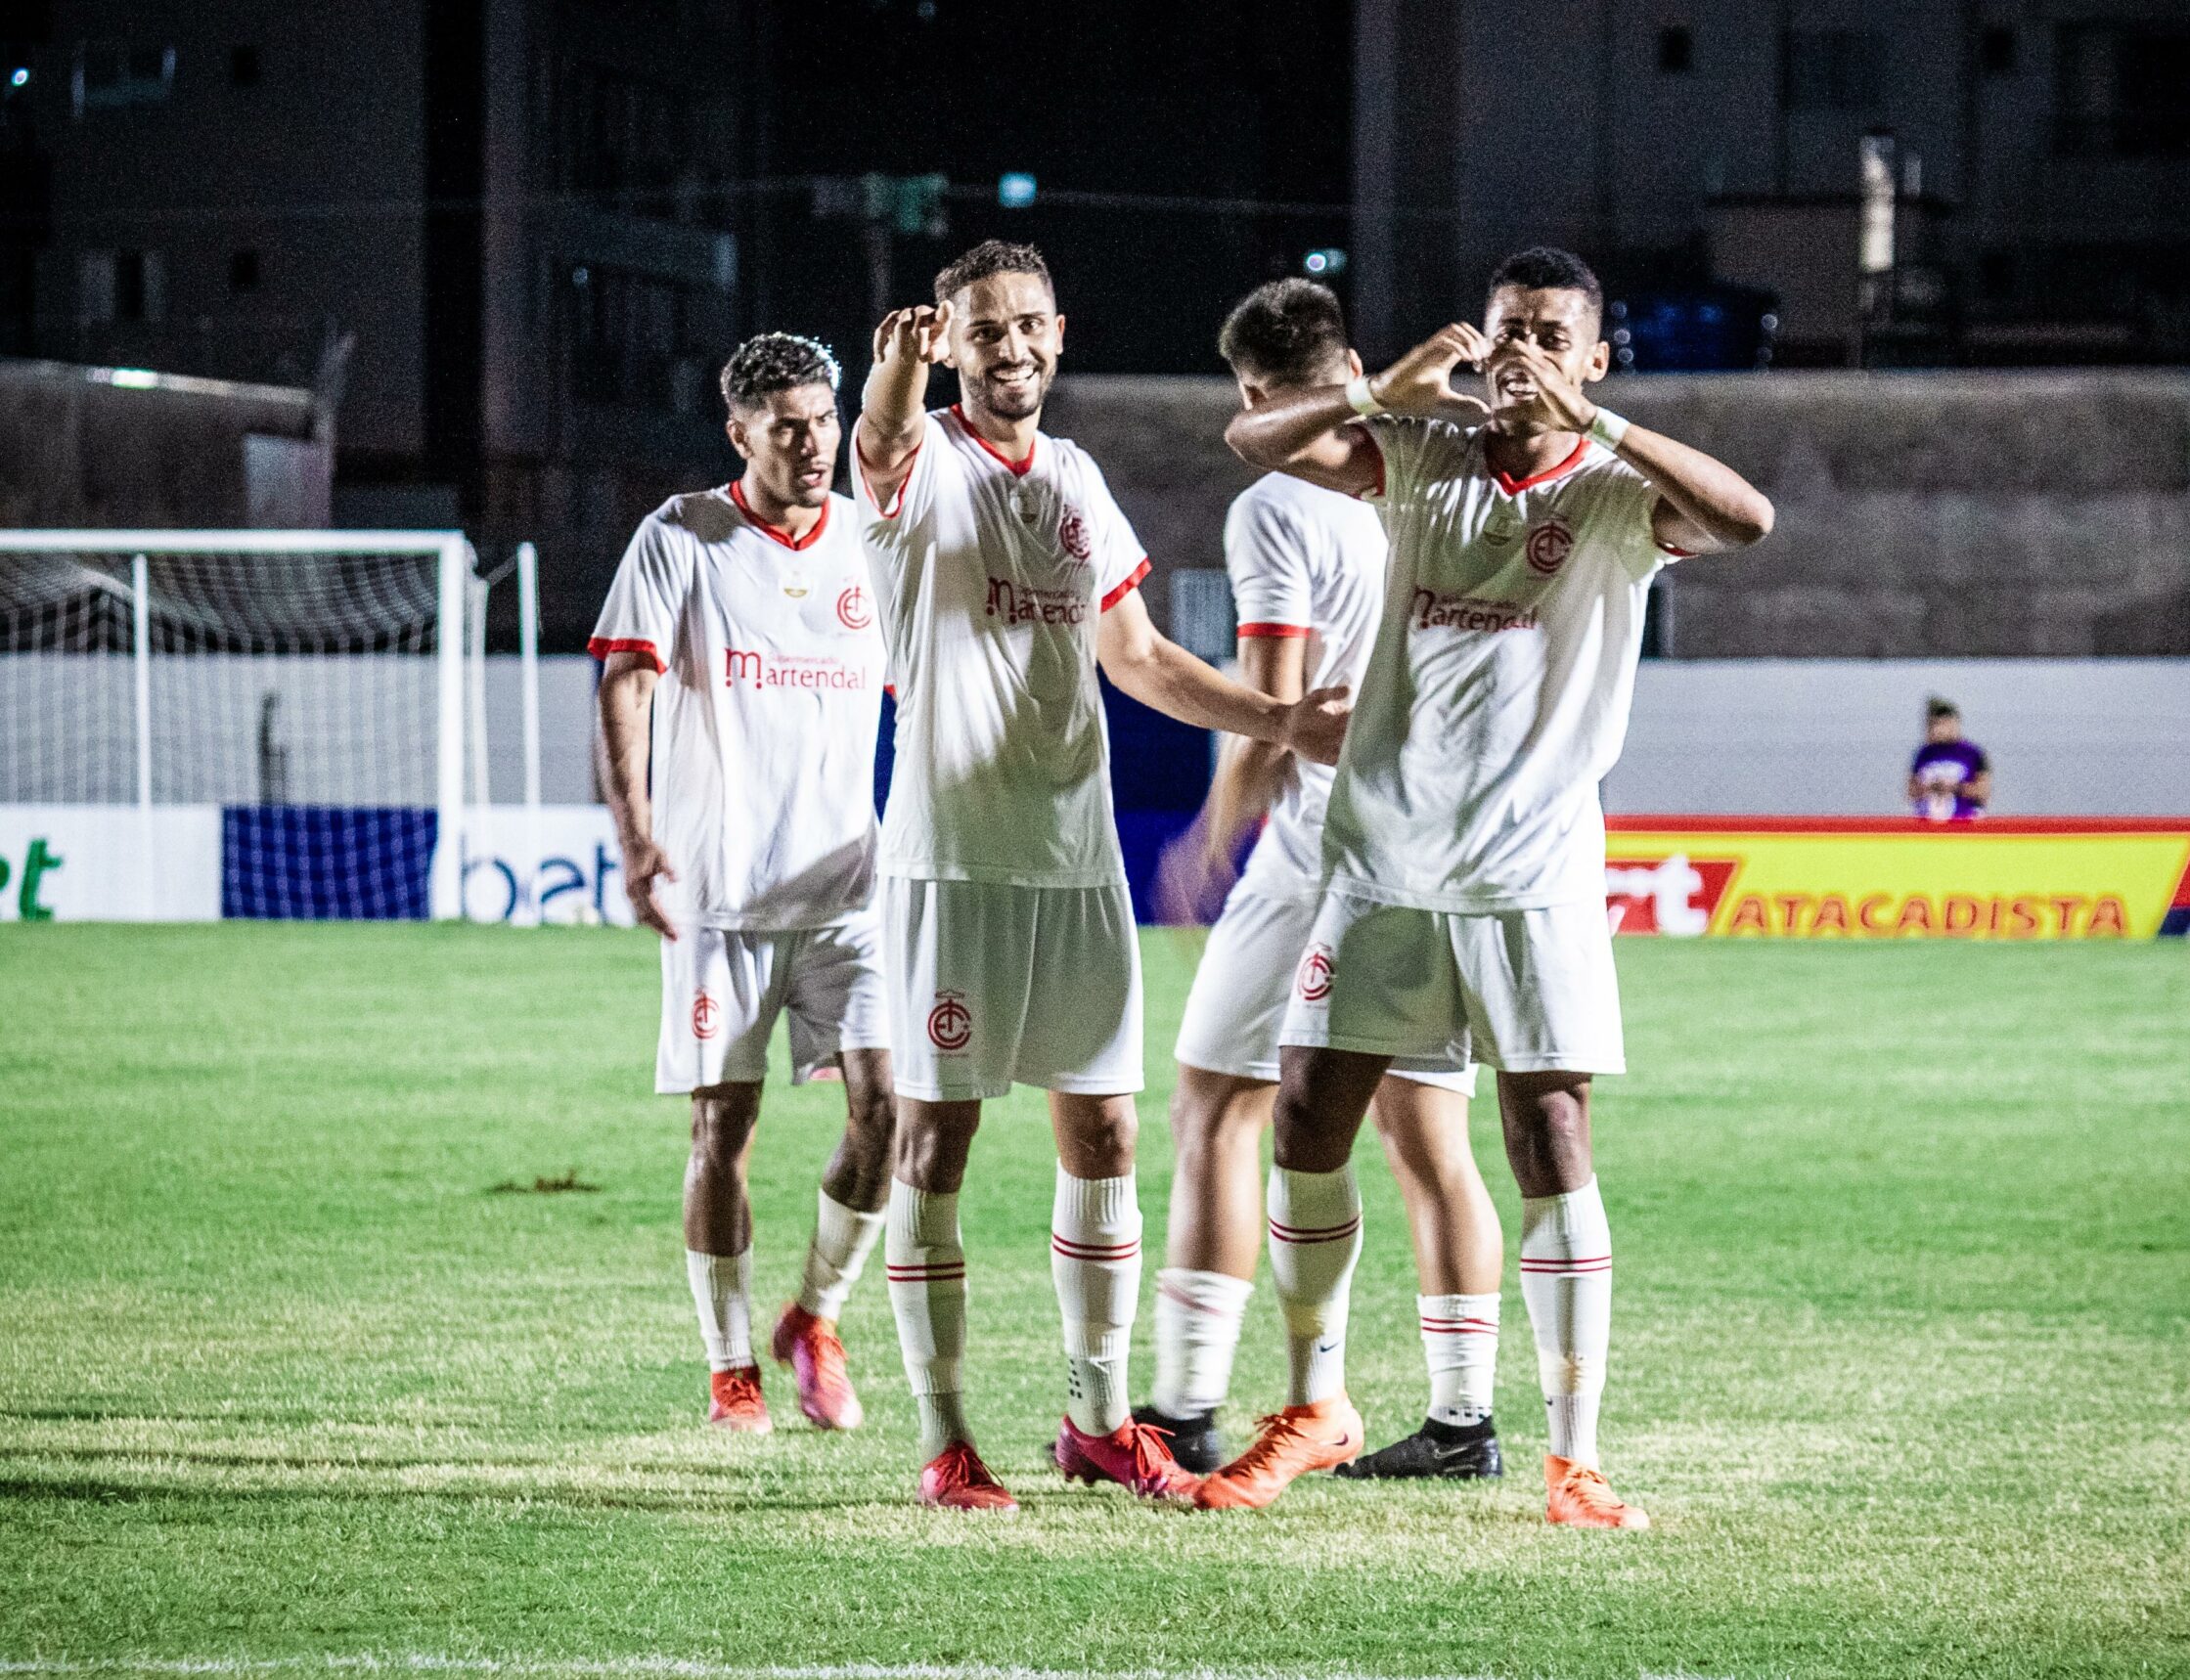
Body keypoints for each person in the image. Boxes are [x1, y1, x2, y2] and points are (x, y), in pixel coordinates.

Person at [1199, 246, 1774, 1530]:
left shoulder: (1622, 490)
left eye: (1551, 337)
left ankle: (1576, 1455)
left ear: (1595, 357)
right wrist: (1385, 391)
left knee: (1548, 1136)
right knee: (1303, 1116)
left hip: (1531, 872)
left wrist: (1602, 426)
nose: (1522, 354)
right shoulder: (1423, 455)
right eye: (1508, 330)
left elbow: (1749, 521)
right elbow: (1254, 438)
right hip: (1385, 860)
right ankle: (1316, 1399)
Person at [850, 241, 1350, 1513]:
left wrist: (1284, 723)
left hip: (1076, 860)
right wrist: (893, 374)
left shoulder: (1075, 477)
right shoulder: (922, 467)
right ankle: (945, 1435)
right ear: (952, 345)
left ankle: (1098, 1417)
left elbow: (1140, 656)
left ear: (1059, 335)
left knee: (1107, 1129)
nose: (1008, 345)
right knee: (937, 1138)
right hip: (953, 861)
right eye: (982, 329)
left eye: (1026, 324)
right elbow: (879, 445)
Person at [1145, 279, 1506, 1481]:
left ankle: (1191, 1401)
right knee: (1428, 1134)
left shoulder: (1274, 507)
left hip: (1319, 851)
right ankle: (1464, 1421)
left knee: (1220, 1099)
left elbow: (1280, 699)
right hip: (1443, 841)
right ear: (1352, 361)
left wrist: (1215, 824)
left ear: (1252, 392)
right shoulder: (1424, 475)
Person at [590, 332, 895, 1437]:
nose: (813, 443)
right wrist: (636, 837)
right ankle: (731, 1369)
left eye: (823, 420)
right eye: (787, 426)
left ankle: (815, 1315)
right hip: (720, 896)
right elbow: (625, 682)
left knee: (891, 1114)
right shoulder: (685, 534)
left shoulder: (869, 539)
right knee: (725, 1127)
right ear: (740, 433)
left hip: (851, 890)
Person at [1908, 697, 1989, 821]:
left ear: (1953, 723)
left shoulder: (1972, 753)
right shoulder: (1924, 753)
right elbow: (1911, 791)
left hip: (1963, 823)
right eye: (1932, 724)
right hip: (1928, 824)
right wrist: (1932, 787)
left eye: (1940, 724)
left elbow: (1983, 792)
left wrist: (1955, 788)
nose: (1936, 730)